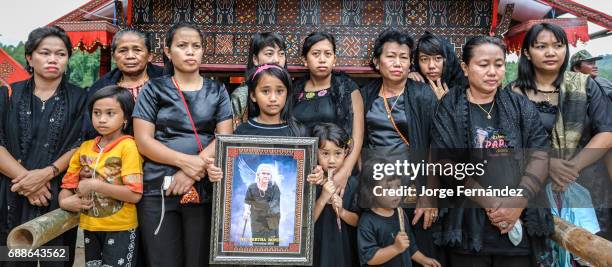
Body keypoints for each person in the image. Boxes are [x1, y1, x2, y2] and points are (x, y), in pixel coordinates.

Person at [432, 35, 553, 267]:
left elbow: (541, 153)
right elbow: (445, 163)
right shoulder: (449, 106)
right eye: (483, 64)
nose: (492, 72)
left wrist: (518, 201)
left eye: (498, 64)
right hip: (469, 229)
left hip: (519, 225)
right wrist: (492, 202)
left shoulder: (519, 105)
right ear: (465, 68)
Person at [132, 22, 230, 267]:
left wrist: (192, 173)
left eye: (196, 46)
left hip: (204, 189)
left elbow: (225, 137)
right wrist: (188, 164)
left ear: (203, 51)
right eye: (182, 45)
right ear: (168, 51)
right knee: (162, 259)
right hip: (158, 189)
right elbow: (143, 141)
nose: (190, 51)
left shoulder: (218, 90)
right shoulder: (153, 89)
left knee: (199, 259)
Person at [510, 23, 612, 245]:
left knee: (594, 248)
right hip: (535, 186)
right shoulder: (513, 93)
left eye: (558, 45)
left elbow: (606, 131)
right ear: (526, 52)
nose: (550, 52)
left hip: (587, 181)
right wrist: (548, 164)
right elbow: (509, 143)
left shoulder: (585, 85)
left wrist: (572, 166)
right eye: (541, 46)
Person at [0, 26, 87, 267]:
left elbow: (81, 144)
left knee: (55, 260)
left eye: (60, 54)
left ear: (68, 58)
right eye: (44, 52)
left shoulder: (82, 98)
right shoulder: (7, 94)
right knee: (13, 258)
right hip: (12, 193)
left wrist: (47, 174)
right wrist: (29, 183)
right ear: (29, 57)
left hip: (57, 196)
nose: (53, 59)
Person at [360, 29, 441, 264]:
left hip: (414, 186)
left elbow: (436, 145)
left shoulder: (423, 95)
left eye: (404, 57)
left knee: (420, 250)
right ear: (377, 61)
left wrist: (430, 194)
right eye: (391, 56)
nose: (398, 63)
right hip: (378, 188)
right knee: (384, 251)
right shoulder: (366, 95)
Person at [59, 85, 143, 267]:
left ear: (125, 118)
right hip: (90, 227)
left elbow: (134, 194)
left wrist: (94, 185)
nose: (102, 119)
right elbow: (68, 184)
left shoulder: (128, 147)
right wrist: (65, 202)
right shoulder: (85, 147)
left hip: (120, 228)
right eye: (96, 113)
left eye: (110, 113)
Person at [292, 32, 364, 194]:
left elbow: (358, 136)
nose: (322, 59)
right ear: (305, 60)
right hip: (303, 172)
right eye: (315, 54)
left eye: (328, 54)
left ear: (335, 59)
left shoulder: (348, 88)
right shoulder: (295, 90)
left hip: (336, 171)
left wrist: (345, 171)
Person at [357, 159, 441, 267]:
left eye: (398, 186)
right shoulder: (367, 222)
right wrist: (395, 248)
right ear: (372, 191)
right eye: (388, 188)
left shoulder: (400, 213)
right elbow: (369, 258)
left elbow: (409, 245)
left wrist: (423, 260)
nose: (396, 192)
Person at [83, 28, 165, 139]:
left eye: (137, 50)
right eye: (123, 51)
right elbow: (90, 128)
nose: (130, 56)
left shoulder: (166, 80)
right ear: (114, 57)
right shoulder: (101, 87)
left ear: (149, 56)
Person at [311, 123, 360, 267]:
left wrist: (342, 212)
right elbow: (305, 225)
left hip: (344, 253)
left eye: (337, 153)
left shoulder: (352, 184)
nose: (331, 160)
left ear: (346, 152)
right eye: (325, 153)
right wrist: (322, 199)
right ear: (315, 152)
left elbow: (358, 221)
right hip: (317, 252)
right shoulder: (312, 181)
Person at [231, 32, 287, 128]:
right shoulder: (242, 94)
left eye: (281, 54)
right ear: (255, 59)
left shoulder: (291, 90)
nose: (277, 60)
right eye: (269, 53)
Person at [410, 31, 466, 100]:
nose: (431, 66)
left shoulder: (463, 86)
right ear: (417, 62)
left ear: (447, 59)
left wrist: (446, 102)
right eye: (424, 59)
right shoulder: (413, 81)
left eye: (438, 58)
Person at [243, 163, 281, 246]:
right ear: (258, 175)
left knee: (271, 247)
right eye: (263, 173)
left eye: (268, 174)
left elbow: (274, 204)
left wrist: (257, 206)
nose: (266, 176)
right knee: (258, 245)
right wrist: (246, 211)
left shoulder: (274, 188)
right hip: (257, 222)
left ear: (271, 176)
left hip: (271, 221)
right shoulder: (251, 187)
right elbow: (247, 201)